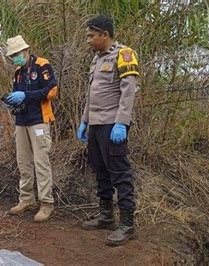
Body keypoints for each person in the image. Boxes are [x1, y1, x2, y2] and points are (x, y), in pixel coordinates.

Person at [76, 15, 139, 246]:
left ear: (105, 34)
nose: (88, 40)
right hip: (95, 124)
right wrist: (85, 121)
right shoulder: (96, 59)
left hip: (113, 126)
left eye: (91, 36)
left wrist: (122, 122)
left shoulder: (124, 55)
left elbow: (128, 91)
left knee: (119, 173)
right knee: (100, 170)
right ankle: (105, 216)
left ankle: (127, 224)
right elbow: (92, 94)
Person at [5, 35, 58, 222]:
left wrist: (25, 96)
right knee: (23, 162)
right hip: (22, 121)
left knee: (41, 162)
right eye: (12, 56)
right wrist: (13, 101)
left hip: (39, 121)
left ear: (26, 50)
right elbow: (19, 96)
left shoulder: (42, 65)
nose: (14, 58)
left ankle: (46, 203)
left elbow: (52, 91)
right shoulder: (18, 72)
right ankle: (26, 198)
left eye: (16, 54)